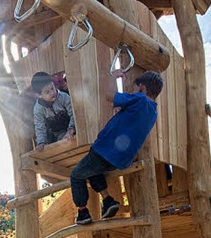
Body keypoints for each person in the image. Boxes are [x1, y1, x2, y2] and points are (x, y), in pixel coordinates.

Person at [70, 70, 163, 225]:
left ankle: (82, 212)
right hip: (120, 159)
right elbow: (119, 106)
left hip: (105, 149)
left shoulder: (140, 99)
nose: (133, 93)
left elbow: (110, 96)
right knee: (92, 171)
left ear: (141, 88)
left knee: (76, 175)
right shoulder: (152, 112)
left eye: (134, 89)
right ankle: (108, 200)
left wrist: (113, 77)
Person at [31, 71, 75, 152]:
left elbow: (74, 114)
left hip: (71, 127)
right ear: (39, 95)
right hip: (58, 133)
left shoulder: (63, 97)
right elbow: (39, 126)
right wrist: (41, 142)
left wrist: (71, 130)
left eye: (52, 88)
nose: (52, 92)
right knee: (60, 144)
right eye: (47, 92)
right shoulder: (38, 109)